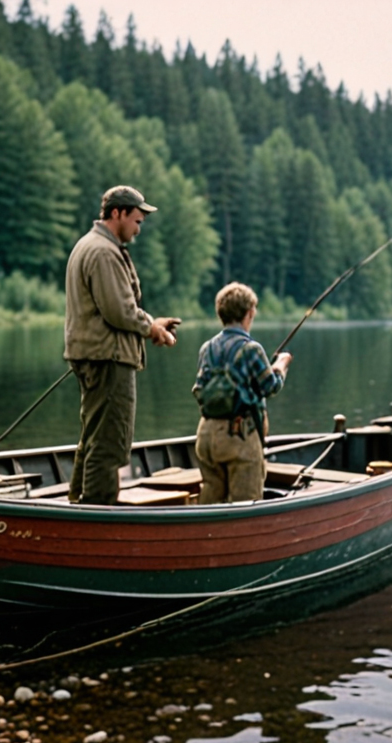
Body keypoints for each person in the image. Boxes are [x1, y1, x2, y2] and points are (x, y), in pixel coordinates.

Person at [64, 185, 181, 505]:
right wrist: (153, 329)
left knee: (94, 436)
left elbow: (114, 307)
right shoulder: (103, 252)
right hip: (108, 359)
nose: (139, 229)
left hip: (95, 354)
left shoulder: (89, 245)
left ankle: (78, 502)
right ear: (117, 213)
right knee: (110, 442)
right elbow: (119, 311)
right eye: (137, 221)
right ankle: (97, 514)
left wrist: (151, 323)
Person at [192, 282, 292, 504]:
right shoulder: (251, 349)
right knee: (245, 503)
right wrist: (281, 366)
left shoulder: (207, 348)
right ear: (249, 313)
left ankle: (206, 538)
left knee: (210, 500)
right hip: (239, 437)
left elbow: (199, 388)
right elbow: (270, 386)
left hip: (206, 435)